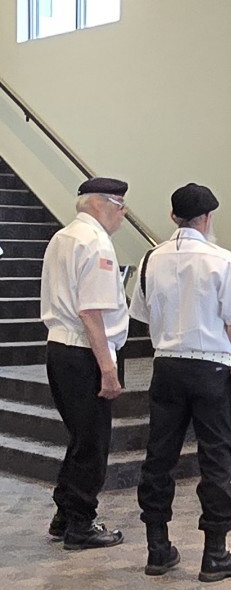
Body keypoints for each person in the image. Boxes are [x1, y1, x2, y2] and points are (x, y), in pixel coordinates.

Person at [131, 183, 231, 581]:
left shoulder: (150, 258)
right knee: (215, 459)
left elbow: (143, 314)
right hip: (210, 367)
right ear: (207, 218)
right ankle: (215, 552)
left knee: (160, 456)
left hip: (166, 366)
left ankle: (157, 548)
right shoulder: (220, 259)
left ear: (173, 217)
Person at [40, 177, 129, 550]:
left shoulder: (63, 238)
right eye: (121, 207)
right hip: (85, 353)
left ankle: (65, 513)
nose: (123, 215)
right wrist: (108, 368)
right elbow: (91, 312)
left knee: (81, 438)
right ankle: (81, 522)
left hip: (60, 349)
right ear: (103, 204)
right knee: (93, 442)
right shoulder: (96, 244)